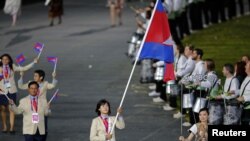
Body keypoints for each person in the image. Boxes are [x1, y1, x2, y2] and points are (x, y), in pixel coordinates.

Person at [0, 54, 38, 134]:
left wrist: (33, 63)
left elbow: (23, 68)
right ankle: (4, 126)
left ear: (9, 60)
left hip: (12, 91)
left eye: (6, 59)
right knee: (2, 109)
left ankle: (11, 128)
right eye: (3, 59)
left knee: (11, 109)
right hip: (2, 91)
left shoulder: (12, 67)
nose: (5, 61)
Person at [18, 69, 58, 139]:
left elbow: (53, 85)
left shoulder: (45, 84)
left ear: (41, 77)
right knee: (31, 122)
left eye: (36, 76)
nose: (34, 77)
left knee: (43, 122)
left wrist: (54, 77)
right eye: (34, 76)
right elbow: (21, 86)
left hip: (41, 106)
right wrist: (21, 76)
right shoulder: (31, 83)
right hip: (32, 105)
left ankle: (42, 134)